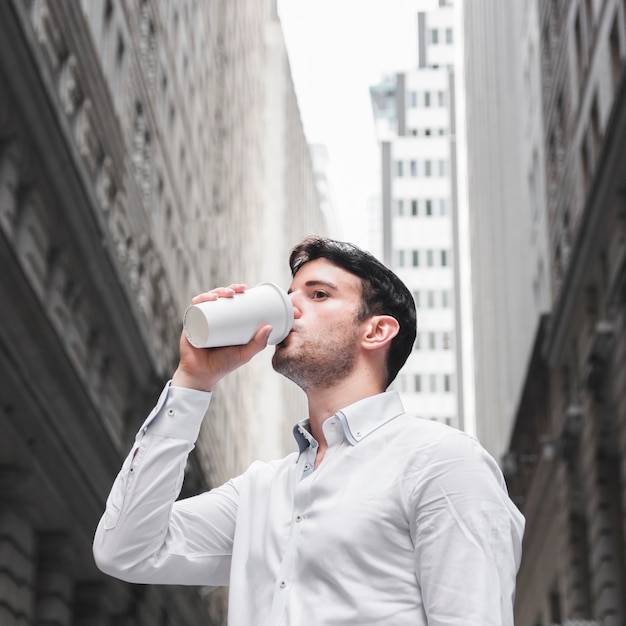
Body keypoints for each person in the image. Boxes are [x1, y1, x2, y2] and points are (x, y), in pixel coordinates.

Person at [93, 236, 524, 625]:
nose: (291, 307)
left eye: (318, 294)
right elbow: (125, 549)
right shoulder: (261, 489)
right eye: (289, 294)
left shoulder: (441, 461)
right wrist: (192, 381)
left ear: (376, 330)